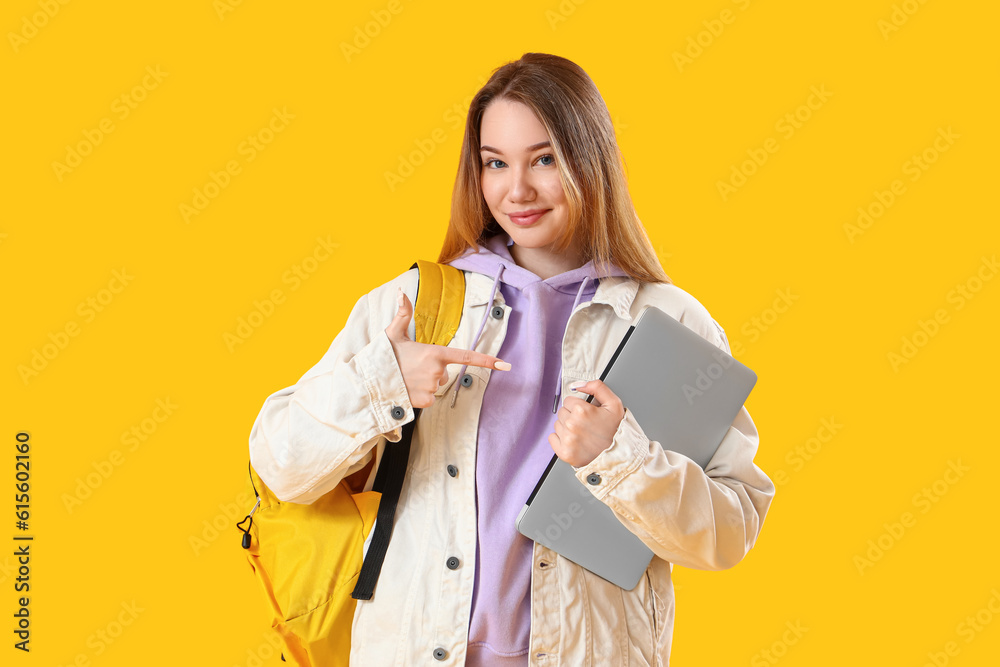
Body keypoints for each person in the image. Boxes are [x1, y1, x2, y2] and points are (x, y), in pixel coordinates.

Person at [248, 52, 775, 666]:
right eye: (495, 163)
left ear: (590, 162)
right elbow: (279, 464)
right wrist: (382, 382)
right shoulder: (414, 305)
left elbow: (728, 533)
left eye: (544, 159)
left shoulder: (669, 323)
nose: (515, 190)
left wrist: (621, 458)